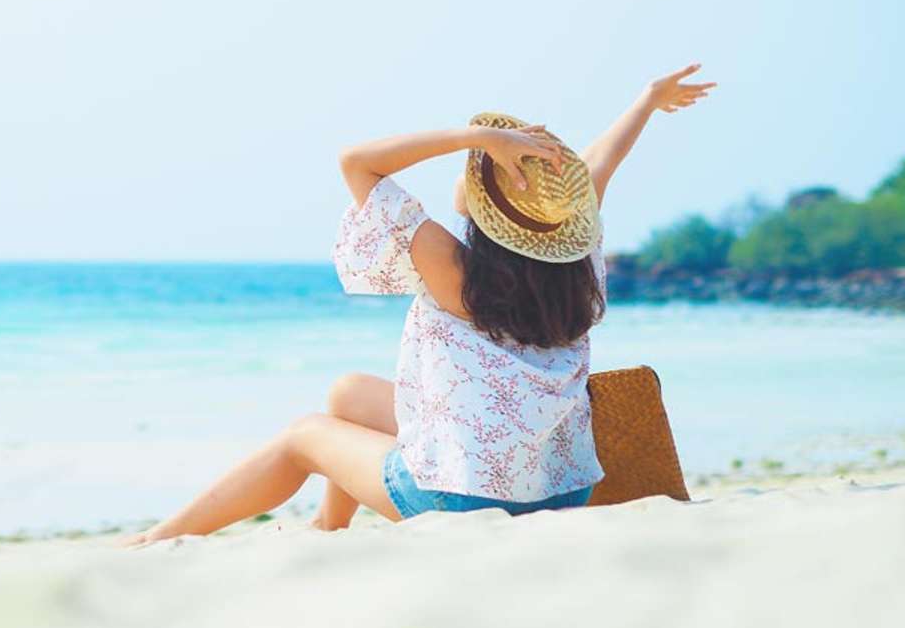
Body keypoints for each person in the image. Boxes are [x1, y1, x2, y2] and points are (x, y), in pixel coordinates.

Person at [119, 64, 714, 546]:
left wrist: (476, 136)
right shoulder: (574, 267)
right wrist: (645, 102)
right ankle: (331, 526)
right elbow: (600, 166)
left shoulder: (456, 271)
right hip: (560, 492)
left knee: (304, 436)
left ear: (488, 211)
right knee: (347, 394)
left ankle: (160, 538)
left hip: (463, 502)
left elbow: (357, 161)